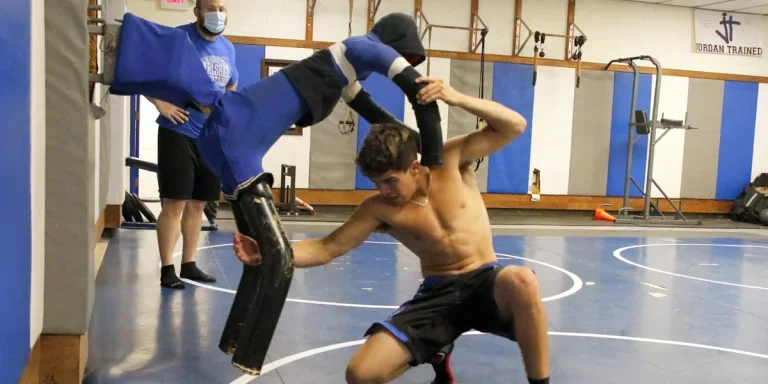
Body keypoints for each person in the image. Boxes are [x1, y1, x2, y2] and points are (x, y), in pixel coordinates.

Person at [231, 76, 550, 384]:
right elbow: (328, 248)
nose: (384, 191)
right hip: (438, 294)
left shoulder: (453, 160)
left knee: (522, 281)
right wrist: (269, 252)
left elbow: (515, 125)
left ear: (414, 167)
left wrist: (456, 97)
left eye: (390, 181)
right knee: (361, 374)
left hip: (485, 281)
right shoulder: (379, 208)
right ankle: (435, 349)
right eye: (376, 183)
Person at [147, 0, 239, 289]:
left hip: (209, 135)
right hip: (178, 130)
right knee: (176, 201)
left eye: (222, 8)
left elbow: (231, 85)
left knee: (199, 203)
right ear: (197, 11)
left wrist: (224, 115)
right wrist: (160, 104)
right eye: (211, 8)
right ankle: (167, 269)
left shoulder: (228, 48)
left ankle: (189, 264)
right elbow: (146, 72)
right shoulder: (179, 38)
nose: (217, 14)